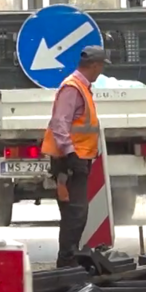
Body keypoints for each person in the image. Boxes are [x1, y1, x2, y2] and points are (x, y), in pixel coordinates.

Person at [42, 46, 107, 267]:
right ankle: (66, 264)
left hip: (76, 159)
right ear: (95, 65)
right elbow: (60, 124)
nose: (101, 72)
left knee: (76, 214)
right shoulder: (73, 88)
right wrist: (71, 154)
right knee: (74, 214)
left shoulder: (81, 87)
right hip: (69, 161)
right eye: (101, 67)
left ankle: (69, 262)